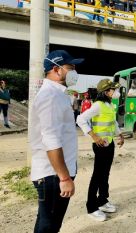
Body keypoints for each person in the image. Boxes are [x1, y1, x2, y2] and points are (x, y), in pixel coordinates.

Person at [30, 50, 84, 233]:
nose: (75, 72)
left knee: (47, 222)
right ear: (57, 69)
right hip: (52, 175)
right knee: (50, 225)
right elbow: (51, 140)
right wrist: (65, 177)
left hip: (56, 173)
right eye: (71, 68)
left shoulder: (59, 94)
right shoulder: (50, 96)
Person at [77, 79, 125, 221]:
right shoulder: (97, 105)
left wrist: (119, 134)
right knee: (97, 175)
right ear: (106, 91)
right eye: (113, 89)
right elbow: (80, 119)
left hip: (109, 144)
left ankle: (103, 200)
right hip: (100, 145)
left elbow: (113, 122)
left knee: (105, 174)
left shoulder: (109, 105)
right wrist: (94, 136)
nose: (115, 92)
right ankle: (91, 207)